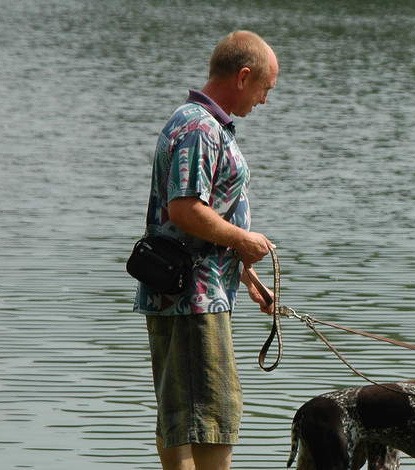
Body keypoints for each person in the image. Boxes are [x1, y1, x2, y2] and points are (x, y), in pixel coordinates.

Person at [133, 30, 279, 470]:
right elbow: (184, 210)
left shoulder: (198, 122)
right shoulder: (199, 127)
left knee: (179, 418)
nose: (264, 100)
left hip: (189, 292)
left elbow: (199, 219)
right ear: (244, 76)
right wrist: (245, 240)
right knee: (211, 418)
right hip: (195, 301)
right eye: (265, 89)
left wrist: (247, 277)